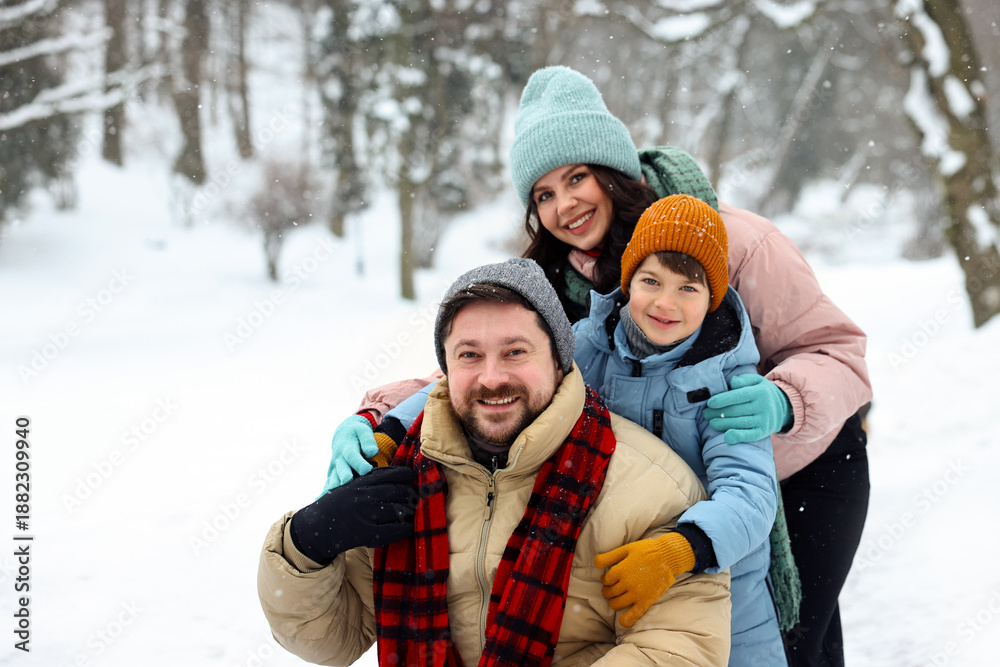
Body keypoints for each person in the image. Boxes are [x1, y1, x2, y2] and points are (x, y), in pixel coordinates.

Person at [324, 65, 872, 667]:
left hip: (800, 473)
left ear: (616, 170)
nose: (565, 205)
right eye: (543, 194)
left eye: (577, 176)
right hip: (668, 501)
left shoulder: (734, 242)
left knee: (796, 648)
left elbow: (838, 352)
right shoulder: (556, 290)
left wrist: (783, 400)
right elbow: (490, 370)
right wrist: (381, 418)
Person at [258, 258, 732, 666]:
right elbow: (331, 642)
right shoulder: (398, 474)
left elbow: (682, 647)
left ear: (559, 359)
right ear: (446, 366)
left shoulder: (653, 486)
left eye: (515, 352)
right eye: (469, 355)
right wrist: (304, 546)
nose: (491, 377)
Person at [575, 193, 783, 664]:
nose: (665, 303)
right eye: (651, 280)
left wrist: (684, 548)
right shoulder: (587, 346)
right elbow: (505, 379)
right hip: (608, 574)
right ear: (628, 283)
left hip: (720, 583)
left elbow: (750, 492)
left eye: (688, 288)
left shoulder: (728, 381)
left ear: (712, 298)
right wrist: (397, 426)